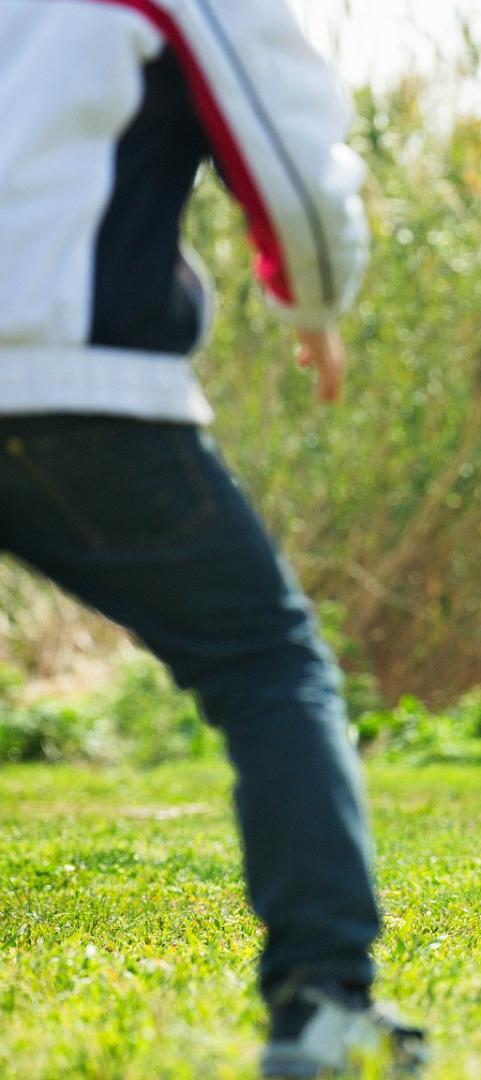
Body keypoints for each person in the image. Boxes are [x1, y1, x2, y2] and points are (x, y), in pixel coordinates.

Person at [0, 1, 424, 1073]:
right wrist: (315, 306)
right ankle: (324, 996)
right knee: (267, 666)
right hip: (77, 386)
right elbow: (288, 165)